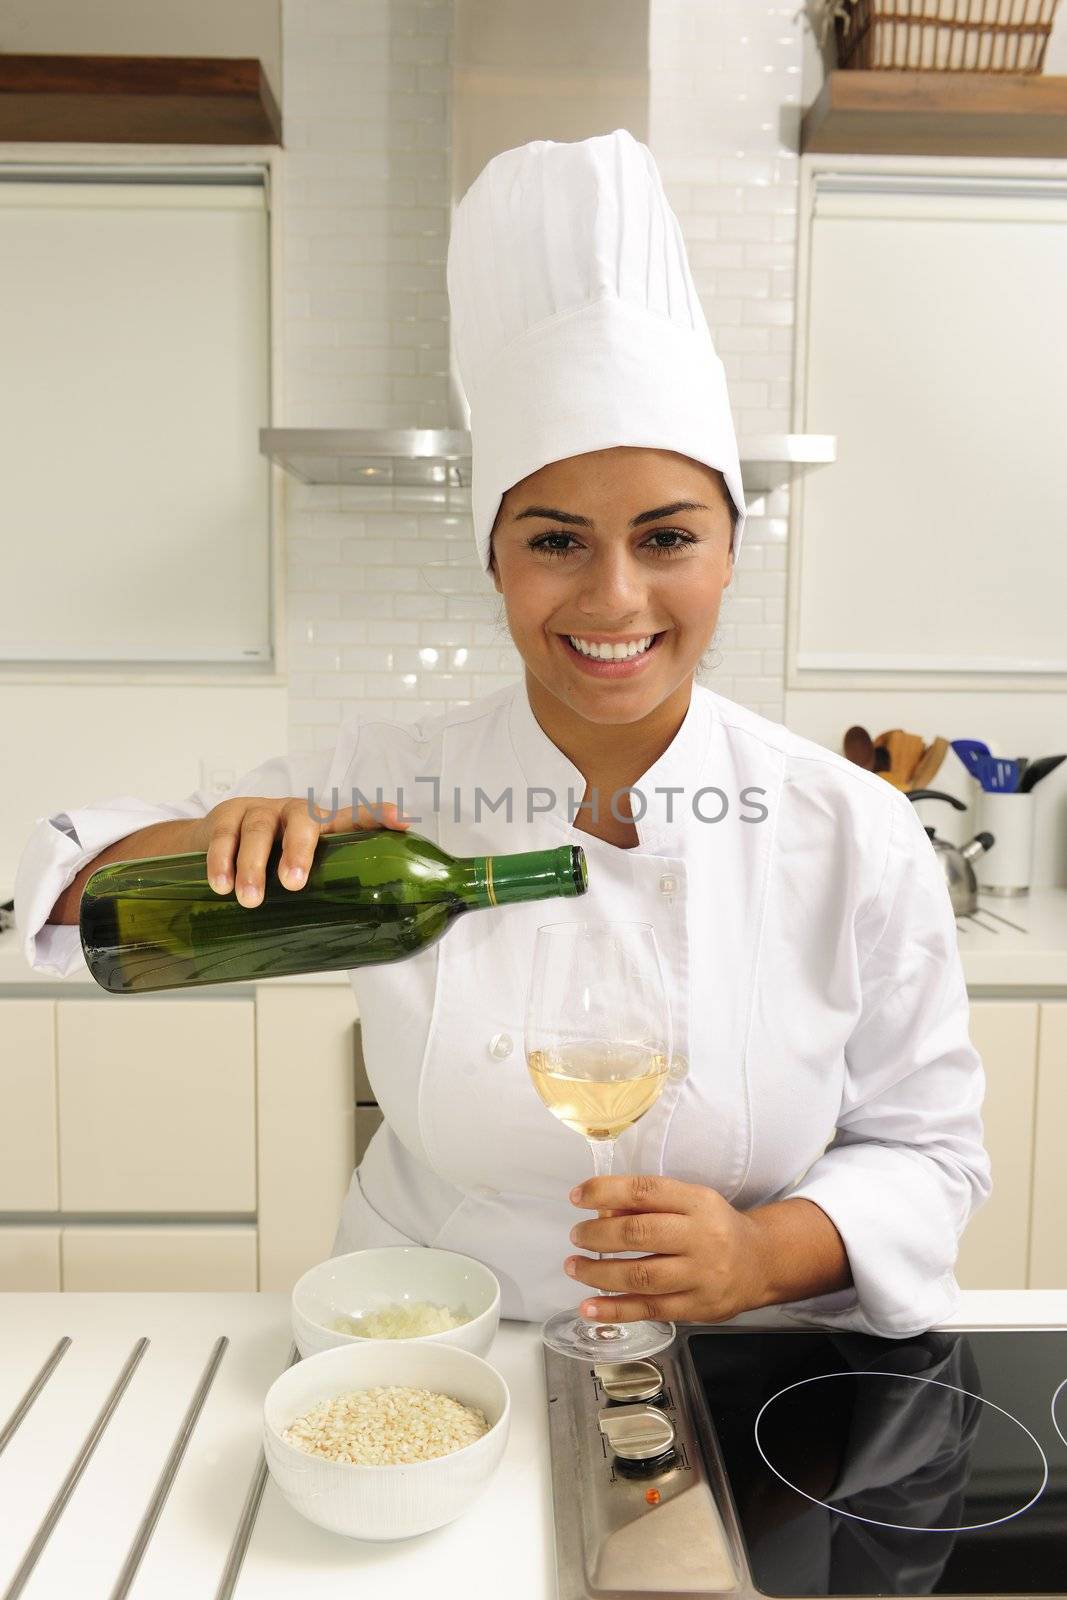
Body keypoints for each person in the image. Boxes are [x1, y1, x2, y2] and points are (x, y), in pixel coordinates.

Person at [15, 130, 990, 1338]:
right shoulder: (382, 788)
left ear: (731, 550)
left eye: (667, 536)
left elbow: (928, 1154)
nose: (614, 598)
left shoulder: (849, 825)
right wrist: (215, 838)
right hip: (429, 1349)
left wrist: (754, 1254)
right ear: (493, 557)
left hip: (746, 1366)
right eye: (554, 539)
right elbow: (72, 901)